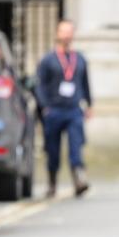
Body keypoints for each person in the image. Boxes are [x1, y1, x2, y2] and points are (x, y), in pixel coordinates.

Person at [35, 20, 92, 198]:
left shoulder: (80, 58)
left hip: (74, 110)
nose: (67, 35)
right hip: (54, 111)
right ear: (57, 34)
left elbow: (85, 83)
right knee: (53, 150)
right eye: (63, 32)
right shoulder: (47, 60)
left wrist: (88, 104)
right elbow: (40, 85)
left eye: (70, 32)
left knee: (76, 146)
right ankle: (52, 183)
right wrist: (44, 107)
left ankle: (79, 180)